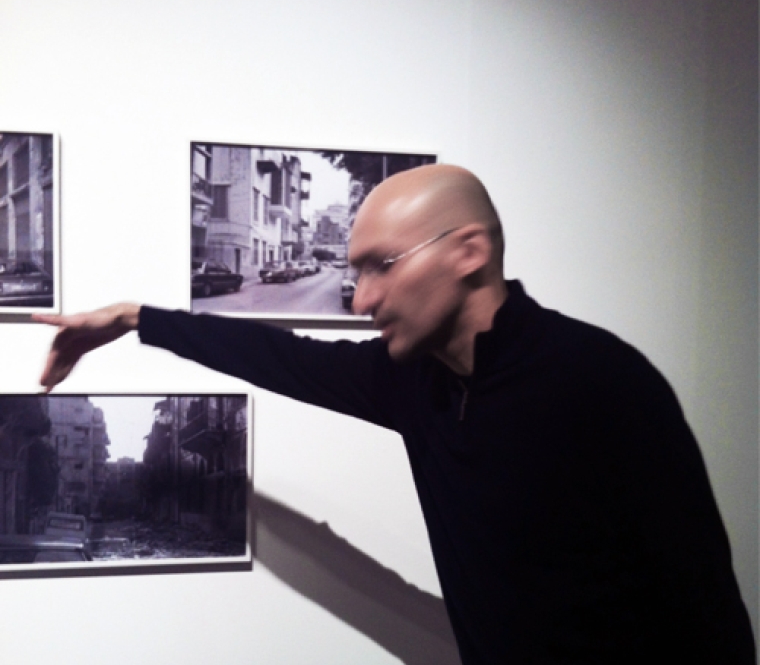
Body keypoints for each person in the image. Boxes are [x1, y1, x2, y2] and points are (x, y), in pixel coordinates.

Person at [34, 165, 754, 664]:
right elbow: (283, 358)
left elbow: (704, 605)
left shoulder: (602, 381)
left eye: (382, 265)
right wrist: (136, 319)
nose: (361, 297)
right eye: (355, 272)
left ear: (468, 252)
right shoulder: (414, 381)